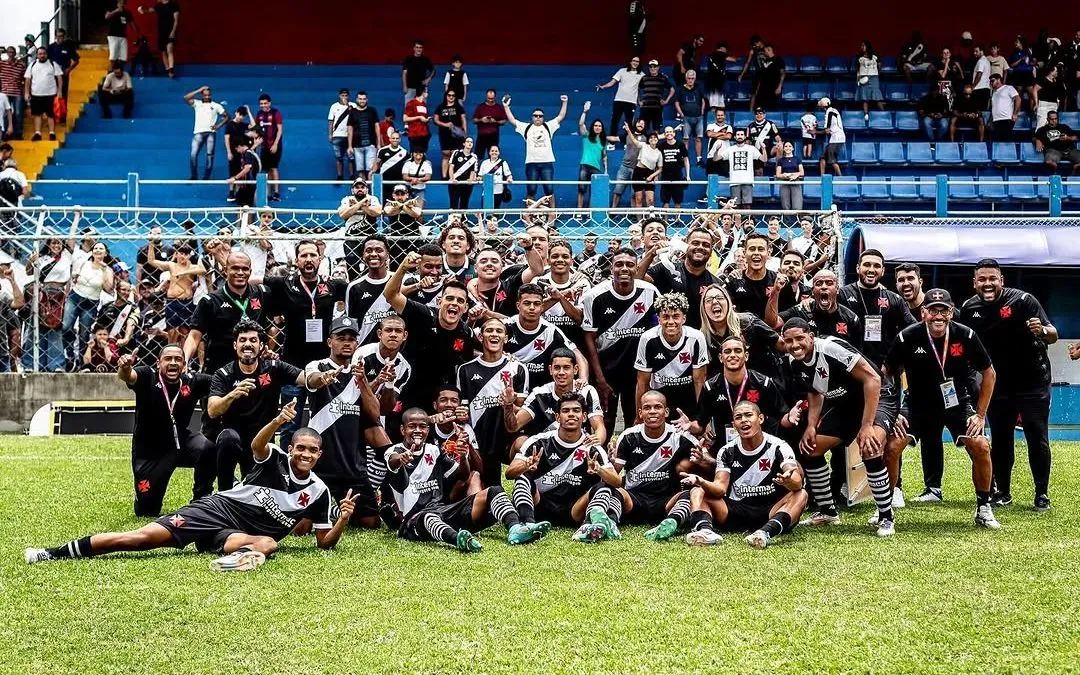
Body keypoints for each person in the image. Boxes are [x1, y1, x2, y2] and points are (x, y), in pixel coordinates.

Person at [26, 402, 356, 571]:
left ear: (320, 454)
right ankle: (52, 553)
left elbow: (324, 544)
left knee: (268, 543)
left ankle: (232, 559)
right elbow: (257, 445)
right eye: (301, 448)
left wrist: (342, 519)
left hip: (237, 536)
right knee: (140, 539)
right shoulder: (275, 458)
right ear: (292, 448)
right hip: (217, 510)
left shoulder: (318, 492)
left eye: (312, 451)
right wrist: (277, 422)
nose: (305, 455)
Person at [883, 289, 999, 528]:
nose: (938, 316)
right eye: (933, 310)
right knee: (892, 447)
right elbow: (886, 374)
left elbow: (989, 373)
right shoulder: (907, 337)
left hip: (956, 402)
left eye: (943, 310)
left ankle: (983, 507)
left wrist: (979, 415)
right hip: (917, 403)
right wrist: (892, 413)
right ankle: (884, 508)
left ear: (951, 311)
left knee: (981, 445)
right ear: (923, 312)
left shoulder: (965, 335)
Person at [782, 318, 899, 535]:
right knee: (811, 447)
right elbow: (815, 391)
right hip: (846, 404)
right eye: (789, 341)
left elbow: (873, 379)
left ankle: (885, 516)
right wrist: (811, 425)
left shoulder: (830, 349)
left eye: (799, 338)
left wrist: (866, 425)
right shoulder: (793, 362)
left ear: (811, 336)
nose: (795, 345)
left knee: (870, 446)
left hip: (878, 396)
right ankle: (827, 512)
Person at [957, 259, 1056, 511]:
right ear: (974, 283)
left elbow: (1053, 334)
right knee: (1001, 438)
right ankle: (1003, 492)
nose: (987, 284)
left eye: (992, 278)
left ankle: (1041, 493)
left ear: (1001, 280)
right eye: (982, 279)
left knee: (1036, 435)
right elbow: (965, 346)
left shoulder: (1023, 301)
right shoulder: (969, 308)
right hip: (998, 385)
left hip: (1033, 381)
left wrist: (1042, 331)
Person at [387, 407, 548, 551]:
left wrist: (463, 456)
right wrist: (401, 459)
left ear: (428, 430)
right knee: (428, 517)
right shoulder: (395, 451)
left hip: (442, 511)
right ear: (402, 429)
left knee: (494, 491)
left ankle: (515, 529)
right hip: (412, 520)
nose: (417, 430)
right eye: (412, 426)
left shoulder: (433, 450)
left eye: (422, 426)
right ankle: (458, 540)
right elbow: (393, 461)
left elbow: (463, 475)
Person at [207, 320, 337, 490]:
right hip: (232, 439)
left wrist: (321, 378)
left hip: (260, 441)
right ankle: (225, 492)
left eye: (253, 340)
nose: (247, 344)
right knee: (228, 439)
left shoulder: (274, 368)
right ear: (235, 345)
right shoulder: (224, 373)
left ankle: (243, 485)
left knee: (255, 492)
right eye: (242, 340)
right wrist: (232, 394)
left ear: (261, 345)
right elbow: (212, 410)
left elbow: (306, 379)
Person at [675, 400, 806, 548]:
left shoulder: (779, 446)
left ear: (760, 419)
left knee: (801, 494)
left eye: (748, 415)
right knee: (697, 491)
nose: (744, 420)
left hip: (771, 510)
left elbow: (796, 479)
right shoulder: (726, 451)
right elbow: (720, 489)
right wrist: (702, 482)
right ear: (734, 424)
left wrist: (790, 481)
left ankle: (765, 533)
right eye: (738, 417)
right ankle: (705, 531)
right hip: (736, 511)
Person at [303, 315, 391, 529]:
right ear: (329, 342)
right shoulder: (318, 365)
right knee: (302, 527)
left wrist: (363, 381)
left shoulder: (358, 373)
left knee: (371, 522)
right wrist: (324, 378)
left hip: (352, 465)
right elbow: (312, 380)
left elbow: (375, 413)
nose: (346, 343)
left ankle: (336, 511)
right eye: (340, 338)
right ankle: (330, 509)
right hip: (320, 465)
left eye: (351, 339)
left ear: (356, 343)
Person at [262, 239, 347, 446]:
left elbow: (358, 293)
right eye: (304, 255)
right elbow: (251, 280)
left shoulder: (333, 286)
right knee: (289, 423)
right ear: (296, 260)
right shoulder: (284, 284)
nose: (308, 259)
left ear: (320, 258)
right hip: (292, 365)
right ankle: (284, 462)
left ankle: (323, 462)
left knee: (326, 420)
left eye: (312, 255)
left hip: (325, 365)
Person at [114, 346, 215, 516]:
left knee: (207, 449)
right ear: (158, 363)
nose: (173, 363)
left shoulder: (193, 381)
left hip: (180, 442)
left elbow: (222, 380)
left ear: (184, 365)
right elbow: (128, 376)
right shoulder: (147, 376)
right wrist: (125, 367)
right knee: (147, 510)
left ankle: (201, 500)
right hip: (150, 451)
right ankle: (144, 499)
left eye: (178, 359)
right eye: (168, 359)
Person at [507, 393, 616, 541]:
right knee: (522, 477)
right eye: (565, 411)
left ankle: (587, 527)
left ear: (584, 417)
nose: (571, 414)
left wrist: (599, 470)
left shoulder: (592, 448)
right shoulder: (538, 442)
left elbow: (617, 481)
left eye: (576, 410)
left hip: (575, 510)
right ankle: (527, 525)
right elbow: (509, 473)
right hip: (540, 506)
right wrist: (525, 465)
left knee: (604, 486)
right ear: (557, 417)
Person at [384, 253, 479, 413]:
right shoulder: (423, 314)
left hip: (439, 400)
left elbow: (468, 361)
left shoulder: (466, 333)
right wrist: (403, 268)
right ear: (440, 302)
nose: (454, 303)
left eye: (460, 301)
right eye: (449, 298)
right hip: (408, 391)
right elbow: (390, 295)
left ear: (465, 308)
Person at [602, 391, 701, 538]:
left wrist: (702, 459)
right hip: (633, 499)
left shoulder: (679, 435)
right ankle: (609, 523)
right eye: (647, 408)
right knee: (614, 491)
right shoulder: (629, 436)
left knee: (689, 494)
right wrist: (608, 463)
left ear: (666, 412)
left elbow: (707, 459)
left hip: (666, 501)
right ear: (640, 413)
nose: (652, 411)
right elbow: (614, 474)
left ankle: (671, 522)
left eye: (658, 407)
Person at [581, 248, 659, 433]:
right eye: (619, 264)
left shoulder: (650, 292)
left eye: (630, 264)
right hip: (607, 371)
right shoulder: (594, 296)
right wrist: (599, 378)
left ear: (637, 268)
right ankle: (601, 452)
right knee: (605, 421)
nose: (624, 268)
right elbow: (589, 338)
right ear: (611, 268)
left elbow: (658, 331)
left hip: (638, 372)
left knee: (636, 419)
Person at [456, 318, 529, 487]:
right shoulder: (465, 370)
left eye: (499, 331)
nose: (494, 334)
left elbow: (523, 411)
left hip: (506, 443)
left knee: (506, 490)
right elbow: (463, 407)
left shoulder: (518, 368)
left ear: (506, 338)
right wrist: (461, 413)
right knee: (481, 490)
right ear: (481, 337)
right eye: (489, 330)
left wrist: (508, 404)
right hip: (478, 442)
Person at [184, 251, 271, 373]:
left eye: (245, 269)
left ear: (250, 272)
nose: (240, 273)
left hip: (254, 368)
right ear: (225, 270)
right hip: (219, 369)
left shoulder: (262, 294)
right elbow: (194, 336)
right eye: (235, 268)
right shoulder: (210, 301)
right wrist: (184, 361)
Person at [633, 292, 707, 420]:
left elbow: (699, 381)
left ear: (684, 318)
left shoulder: (696, 338)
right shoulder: (648, 339)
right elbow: (642, 382)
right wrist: (639, 418)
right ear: (659, 319)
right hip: (659, 401)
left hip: (688, 399)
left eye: (676, 316)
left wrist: (701, 419)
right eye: (666, 317)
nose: (671, 321)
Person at [839, 248, 916, 368]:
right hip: (850, 366)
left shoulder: (894, 299)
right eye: (867, 265)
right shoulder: (842, 295)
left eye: (876, 266)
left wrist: (894, 361)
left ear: (883, 271)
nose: (871, 270)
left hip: (884, 367)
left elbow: (914, 330)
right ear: (858, 268)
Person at [699, 284, 783, 380]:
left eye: (719, 298)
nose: (714, 302)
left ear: (729, 303)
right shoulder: (701, 337)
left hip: (762, 382)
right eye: (709, 300)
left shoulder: (749, 322)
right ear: (703, 308)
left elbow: (781, 344)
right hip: (728, 386)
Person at [504, 93, 568, 203]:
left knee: (549, 190)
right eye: (535, 115)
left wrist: (565, 102)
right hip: (531, 163)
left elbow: (560, 116)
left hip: (547, 162)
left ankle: (552, 212)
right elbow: (513, 120)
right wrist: (506, 106)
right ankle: (529, 212)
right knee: (531, 190)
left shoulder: (548, 126)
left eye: (540, 116)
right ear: (532, 117)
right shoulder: (526, 127)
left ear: (543, 118)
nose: (538, 117)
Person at [725, 233, 776, 318]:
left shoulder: (776, 281)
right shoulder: (733, 281)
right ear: (745, 253)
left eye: (761, 249)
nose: (756, 253)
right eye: (752, 249)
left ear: (768, 253)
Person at [597, 57, 642, 145]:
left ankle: (628, 142)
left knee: (629, 122)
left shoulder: (641, 74)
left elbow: (638, 89)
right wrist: (603, 86)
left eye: (637, 61)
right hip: (619, 100)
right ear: (630, 62)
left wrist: (639, 101)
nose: (635, 63)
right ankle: (612, 142)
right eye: (634, 61)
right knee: (615, 120)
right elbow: (612, 82)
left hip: (631, 102)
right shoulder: (622, 71)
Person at [184, 86, 226, 180]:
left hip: (210, 133)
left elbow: (227, 116)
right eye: (205, 95)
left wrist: (218, 126)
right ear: (202, 95)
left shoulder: (216, 105)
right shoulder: (197, 103)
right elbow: (186, 97)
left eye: (208, 95)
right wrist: (200, 89)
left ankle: (206, 177)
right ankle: (194, 176)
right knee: (193, 154)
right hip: (198, 132)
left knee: (209, 155)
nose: (207, 97)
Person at [23, 48, 62, 142]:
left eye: (44, 53)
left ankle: (52, 133)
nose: (42, 55)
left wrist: (59, 91)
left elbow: (59, 78)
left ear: (47, 54)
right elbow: (27, 79)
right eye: (40, 54)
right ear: (37, 55)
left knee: (51, 114)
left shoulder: (53, 64)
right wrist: (27, 92)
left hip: (51, 94)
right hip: (36, 94)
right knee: (37, 114)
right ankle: (38, 133)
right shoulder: (32, 65)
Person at [575, 106, 607, 214]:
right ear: (593, 127)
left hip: (596, 168)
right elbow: (581, 124)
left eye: (599, 126)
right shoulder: (587, 136)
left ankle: (590, 213)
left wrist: (606, 170)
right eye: (595, 125)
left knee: (594, 191)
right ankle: (579, 212)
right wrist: (584, 111)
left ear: (602, 128)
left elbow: (604, 156)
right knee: (581, 189)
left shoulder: (603, 141)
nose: (597, 127)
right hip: (585, 165)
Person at [137, 0, 180, 78]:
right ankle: (167, 69)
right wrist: (141, 9)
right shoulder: (159, 6)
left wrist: (173, 31)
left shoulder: (174, 5)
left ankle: (171, 70)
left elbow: (176, 20)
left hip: (170, 31)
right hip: (161, 32)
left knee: (169, 49)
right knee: (163, 51)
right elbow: (148, 10)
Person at [720, 130, 761, 207]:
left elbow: (764, 159)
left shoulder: (751, 148)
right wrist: (716, 150)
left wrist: (764, 149)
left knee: (747, 205)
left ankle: (747, 216)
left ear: (745, 137)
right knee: (735, 206)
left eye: (742, 134)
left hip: (748, 181)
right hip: (734, 181)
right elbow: (716, 159)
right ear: (735, 137)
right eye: (738, 134)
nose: (740, 136)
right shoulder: (730, 149)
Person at [254, 94, 283, 201]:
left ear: (269, 103)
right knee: (266, 170)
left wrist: (275, 144)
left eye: (265, 103)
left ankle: (276, 192)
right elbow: (256, 129)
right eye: (261, 104)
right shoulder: (259, 114)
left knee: (274, 168)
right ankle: (269, 193)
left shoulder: (276, 113)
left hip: (274, 146)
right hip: (264, 147)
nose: (263, 105)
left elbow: (280, 130)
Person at [346, 91, 380, 182]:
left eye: (364, 99)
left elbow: (377, 127)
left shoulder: (372, 111)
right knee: (360, 170)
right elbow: (350, 129)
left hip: (371, 145)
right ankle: (363, 189)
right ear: (357, 100)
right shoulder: (352, 112)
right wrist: (349, 146)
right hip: (357, 145)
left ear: (367, 100)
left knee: (371, 170)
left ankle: (370, 189)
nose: (362, 101)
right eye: (360, 99)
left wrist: (378, 143)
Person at [433, 89, 466, 178]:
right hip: (444, 134)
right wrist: (445, 124)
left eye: (453, 95)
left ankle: (453, 176)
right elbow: (435, 120)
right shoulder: (440, 107)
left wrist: (464, 133)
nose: (451, 97)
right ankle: (444, 177)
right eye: (449, 95)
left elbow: (463, 120)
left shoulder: (458, 107)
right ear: (446, 96)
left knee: (454, 154)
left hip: (456, 134)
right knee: (446, 154)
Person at [625, 127, 661, 208]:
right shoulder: (643, 145)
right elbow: (634, 140)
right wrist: (628, 130)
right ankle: (639, 217)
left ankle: (650, 216)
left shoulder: (659, 152)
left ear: (657, 139)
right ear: (648, 140)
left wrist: (654, 175)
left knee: (650, 200)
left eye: (655, 137)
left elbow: (659, 167)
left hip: (650, 173)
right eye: (651, 138)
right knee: (638, 199)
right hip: (638, 172)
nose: (653, 139)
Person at [674, 70, 705, 163]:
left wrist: (702, 111)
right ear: (686, 78)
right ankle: (685, 160)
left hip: (698, 117)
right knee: (685, 139)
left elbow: (703, 100)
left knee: (698, 139)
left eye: (692, 78)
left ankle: (699, 160)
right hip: (686, 117)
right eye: (689, 78)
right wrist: (681, 114)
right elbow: (676, 102)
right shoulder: (680, 89)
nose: (690, 80)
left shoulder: (699, 88)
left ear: (695, 79)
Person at [46, 28, 79, 112]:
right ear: (55, 36)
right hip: (52, 75)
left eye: (61, 36)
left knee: (63, 95)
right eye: (58, 36)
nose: (59, 38)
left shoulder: (68, 47)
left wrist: (69, 69)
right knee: (51, 94)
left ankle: (62, 114)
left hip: (63, 74)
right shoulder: (51, 47)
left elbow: (76, 60)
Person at [637, 59, 674, 133]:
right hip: (645, 107)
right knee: (643, 129)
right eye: (651, 67)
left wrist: (666, 101)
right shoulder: (644, 78)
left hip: (657, 108)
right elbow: (637, 89)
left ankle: (655, 140)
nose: (653, 68)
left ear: (658, 67)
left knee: (656, 129)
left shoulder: (663, 78)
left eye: (654, 67)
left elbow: (672, 90)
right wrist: (639, 101)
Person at [657, 125, 689, 207]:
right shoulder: (661, 146)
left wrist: (688, 175)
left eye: (671, 132)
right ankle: (665, 217)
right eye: (667, 132)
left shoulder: (680, 144)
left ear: (674, 133)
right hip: (665, 177)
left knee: (678, 202)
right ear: (664, 134)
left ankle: (677, 217)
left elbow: (686, 160)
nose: (669, 134)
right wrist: (656, 175)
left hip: (678, 177)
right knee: (665, 202)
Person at [372, 130, 409, 203]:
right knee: (384, 202)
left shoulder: (404, 152)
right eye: (393, 138)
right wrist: (373, 172)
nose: (395, 140)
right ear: (390, 139)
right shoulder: (382, 150)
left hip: (398, 182)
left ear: (400, 140)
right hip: (384, 181)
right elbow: (377, 163)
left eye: (397, 138)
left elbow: (407, 166)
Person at [471, 88, 507, 161]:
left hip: (493, 135)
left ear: (495, 97)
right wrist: (481, 120)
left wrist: (495, 121)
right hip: (481, 135)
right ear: (486, 96)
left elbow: (504, 121)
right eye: (489, 98)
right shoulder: (480, 107)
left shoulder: (499, 107)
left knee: (493, 156)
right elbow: (474, 120)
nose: (490, 100)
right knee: (477, 156)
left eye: (492, 98)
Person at [478, 144, 513, 210]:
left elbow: (509, 175)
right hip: (487, 191)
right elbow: (480, 176)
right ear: (489, 152)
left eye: (496, 151)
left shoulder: (503, 163)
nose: (494, 152)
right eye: (492, 151)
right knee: (485, 213)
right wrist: (478, 178)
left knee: (495, 213)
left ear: (499, 153)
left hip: (498, 191)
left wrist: (509, 179)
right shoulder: (484, 163)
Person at [751, 44, 786, 111]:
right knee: (760, 108)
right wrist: (757, 90)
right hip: (763, 89)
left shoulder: (778, 59)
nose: (764, 53)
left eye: (765, 51)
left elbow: (783, 73)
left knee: (772, 108)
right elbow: (761, 77)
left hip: (773, 88)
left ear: (769, 50)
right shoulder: (765, 61)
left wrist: (779, 87)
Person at [327, 88, 352, 181]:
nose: (344, 97)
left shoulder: (353, 105)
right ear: (339, 96)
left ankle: (352, 175)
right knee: (338, 157)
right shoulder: (334, 106)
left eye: (346, 95)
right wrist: (330, 135)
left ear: (348, 96)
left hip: (350, 136)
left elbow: (355, 117)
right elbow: (331, 122)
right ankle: (339, 176)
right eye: (342, 95)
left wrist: (348, 106)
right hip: (337, 135)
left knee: (351, 157)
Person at [703, 41, 736, 111]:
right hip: (716, 82)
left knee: (717, 105)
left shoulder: (711, 55)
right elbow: (734, 60)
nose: (726, 51)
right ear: (721, 48)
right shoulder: (721, 54)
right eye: (726, 49)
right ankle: (713, 115)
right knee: (715, 105)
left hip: (714, 82)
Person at [856, 41, 884, 120]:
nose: (861, 47)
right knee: (864, 98)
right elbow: (858, 69)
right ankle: (866, 114)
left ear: (867, 46)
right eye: (861, 46)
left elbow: (880, 66)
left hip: (874, 78)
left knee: (877, 97)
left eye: (863, 45)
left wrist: (875, 72)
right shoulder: (859, 56)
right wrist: (858, 79)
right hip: (863, 78)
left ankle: (884, 114)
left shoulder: (875, 56)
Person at [817, 97, 844, 176]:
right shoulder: (834, 110)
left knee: (832, 159)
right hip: (835, 138)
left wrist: (815, 132)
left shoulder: (829, 112)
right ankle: (822, 177)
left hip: (837, 138)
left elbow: (827, 130)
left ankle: (840, 177)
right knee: (823, 157)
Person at [989, 73, 1020, 141]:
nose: (991, 83)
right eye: (990, 81)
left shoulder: (1008, 88)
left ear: (998, 80)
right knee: (997, 142)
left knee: (1005, 141)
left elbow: (1018, 99)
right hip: (996, 120)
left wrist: (1015, 113)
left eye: (992, 81)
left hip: (1006, 119)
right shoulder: (994, 92)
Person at [402, 86, 432, 155]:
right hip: (414, 134)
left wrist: (427, 120)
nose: (427, 94)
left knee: (423, 155)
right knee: (414, 154)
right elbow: (405, 118)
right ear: (423, 92)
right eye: (426, 92)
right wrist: (419, 117)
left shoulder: (424, 105)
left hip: (424, 134)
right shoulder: (411, 103)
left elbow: (424, 118)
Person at [775, 141, 804, 211]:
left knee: (797, 205)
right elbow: (778, 174)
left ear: (793, 148)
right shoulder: (781, 160)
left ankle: (797, 218)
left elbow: (802, 172)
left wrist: (795, 175)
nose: (788, 148)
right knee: (785, 206)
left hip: (795, 182)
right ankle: (787, 218)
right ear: (783, 148)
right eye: (786, 146)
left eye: (790, 146)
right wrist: (785, 175)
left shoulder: (797, 159)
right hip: (784, 183)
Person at [104, 0, 134, 64]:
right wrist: (116, 11)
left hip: (123, 36)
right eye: (120, 2)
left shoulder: (126, 12)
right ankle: (113, 69)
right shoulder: (112, 7)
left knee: (123, 57)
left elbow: (132, 23)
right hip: (113, 35)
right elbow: (106, 17)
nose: (121, 3)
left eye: (122, 2)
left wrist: (138, 33)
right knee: (113, 56)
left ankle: (120, 69)